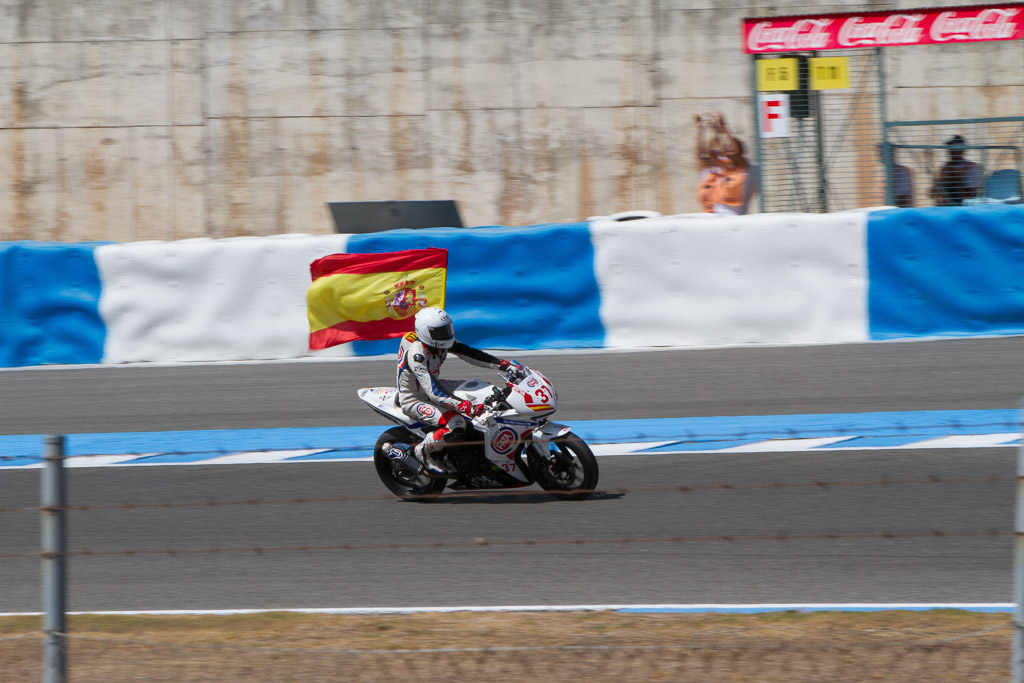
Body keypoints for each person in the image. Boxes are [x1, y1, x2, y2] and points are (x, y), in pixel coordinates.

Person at [385, 307, 515, 476]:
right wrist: (465, 407)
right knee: (456, 424)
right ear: (426, 333)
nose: (446, 335)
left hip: (434, 385)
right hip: (415, 399)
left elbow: (469, 353)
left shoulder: (436, 342)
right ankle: (424, 451)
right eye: (440, 332)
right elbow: (433, 393)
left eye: (447, 329)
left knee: (481, 389)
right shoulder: (417, 355)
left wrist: (502, 364)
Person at [698, 112, 758, 215]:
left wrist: (723, 128)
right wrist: (707, 131)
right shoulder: (725, 168)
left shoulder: (744, 168)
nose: (727, 153)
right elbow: (707, 154)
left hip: (735, 218)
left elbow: (734, 152)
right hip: (718, 218)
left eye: (730, 150)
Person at [931, 135, 983, 206]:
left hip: (965, 207)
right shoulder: (946, 167)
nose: (950, 151)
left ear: (962, 150)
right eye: (949, 148)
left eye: (953, 148)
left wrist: (955, 176)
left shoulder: (971, 167)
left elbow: (971, 194)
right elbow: (937, 191)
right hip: (948, 207)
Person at [877, 143, 914, 208]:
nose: (880, 158)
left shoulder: (902, 172)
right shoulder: (887, 172)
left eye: (881, 155)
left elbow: (902, 197)